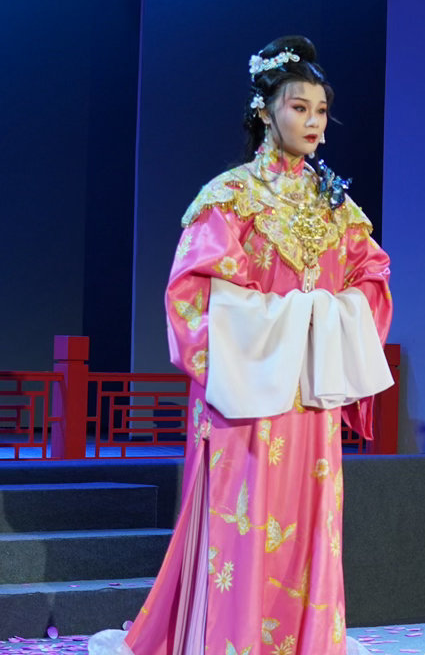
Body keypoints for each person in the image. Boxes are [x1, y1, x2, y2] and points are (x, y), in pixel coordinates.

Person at [90, 35, 393, 655]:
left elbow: (372, 279)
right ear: (265, 110)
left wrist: (329, 315)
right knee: (243, 527)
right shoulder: (230, 198)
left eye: (321, 110)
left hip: (309, 396)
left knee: (309, 523)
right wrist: (294, 317)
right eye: (299, 107)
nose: (314, 122)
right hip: (246, 394)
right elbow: (193, 298)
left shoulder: (337, 207)